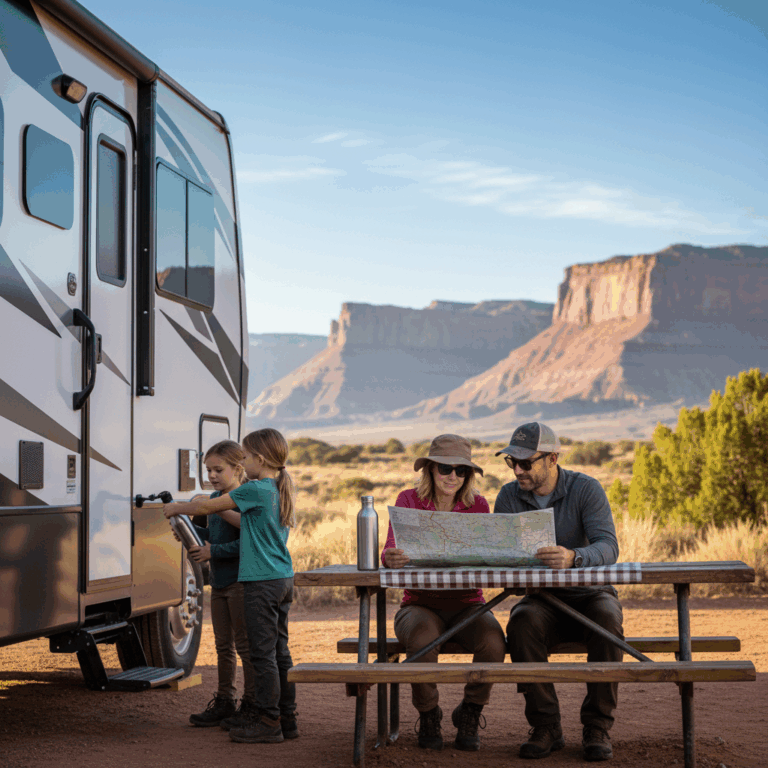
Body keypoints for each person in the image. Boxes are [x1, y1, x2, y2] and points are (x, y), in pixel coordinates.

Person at [494, 422, 622, 762]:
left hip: (590, 594)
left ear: (552, 458)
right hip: (540, 598)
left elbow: (609, 546)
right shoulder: (508, 496)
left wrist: (574, 557)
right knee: (521, 622)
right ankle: (546, 725)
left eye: (526, 462)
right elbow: (502, 559)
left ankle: (597, 726)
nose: (517, 470)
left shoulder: (586, 489)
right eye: (512, 462)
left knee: (609, 620)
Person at [165, 427, 298, 744]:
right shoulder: (275, 490)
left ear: (260, 459)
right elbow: (237, 521)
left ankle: (268, 721)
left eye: (247, 456)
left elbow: (206, 508)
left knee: (262, 655)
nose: (245, 461)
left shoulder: (256, 489)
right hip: (282, 578)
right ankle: (287, 718)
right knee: (279, 654)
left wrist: (177, 508)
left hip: (260, 581)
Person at [382, 434, 507, 752]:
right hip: (419, 603)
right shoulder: (408, 500)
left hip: (469, 604)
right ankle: (429, 715)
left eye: (461, 470)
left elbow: (487, 555)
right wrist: (391, 557)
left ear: (468, 476)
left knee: (494, 643)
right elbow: (389, 550)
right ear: (430, 469)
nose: (453, 476)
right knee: (422, 640)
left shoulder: (478, 505)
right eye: (445, 468)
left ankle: (470, 711)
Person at [181, 440, 257, 729]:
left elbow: (248, 541)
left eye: (218, 469)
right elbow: (213, 532)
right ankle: (225, 700)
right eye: (208, 470)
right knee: (223, 646)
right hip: (219, 582)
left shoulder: (242, 497)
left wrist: (213, 551)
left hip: (240, 582)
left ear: (238, 468)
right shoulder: (214, 498)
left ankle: (250, 703)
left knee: (245, 646)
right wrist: (189, 531)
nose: (212, 475)